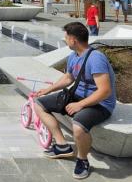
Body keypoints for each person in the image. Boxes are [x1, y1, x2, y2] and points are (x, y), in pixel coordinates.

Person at [34, 22, 116, 179]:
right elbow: (68, 77)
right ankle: (62, 146)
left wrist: (80, 104)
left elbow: (105, 91)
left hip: (101, 103)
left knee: (77, 126)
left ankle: (83, 160)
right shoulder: (73, 56)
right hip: (77, 96)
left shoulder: (96, 59)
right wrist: (49, 90)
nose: (64, 40)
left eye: (66, 37)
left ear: (73, 40)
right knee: (39, 104)